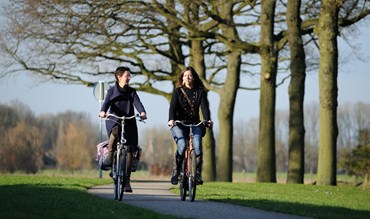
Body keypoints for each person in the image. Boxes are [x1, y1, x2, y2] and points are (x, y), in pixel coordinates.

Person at [99, 66, 147, 193]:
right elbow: (106, 103)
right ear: (119, 77)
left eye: (129, 76)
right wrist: (103, 111)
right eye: (127, 75)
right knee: (115, 132)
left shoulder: (131, 91)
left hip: (129, 120)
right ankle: (110, 154)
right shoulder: (111, 91)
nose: (129, 78)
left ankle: (126, 180)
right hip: (114, 119)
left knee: (131, 148)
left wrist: (142, 112)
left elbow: (137, 103)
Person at [168, 66, 212, 185]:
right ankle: (176, 172)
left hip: (194, 123)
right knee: (182, 144)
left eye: (190, 76)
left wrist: (207, 120)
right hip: (179, 123)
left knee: (197, 144)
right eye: (185, 76)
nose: (187, 78)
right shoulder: (178, 91)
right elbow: (172, 107)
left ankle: (197, 175)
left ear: (193, 78)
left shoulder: (200, 91)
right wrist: (171, 119)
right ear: (182, 78)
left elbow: (204, 108)